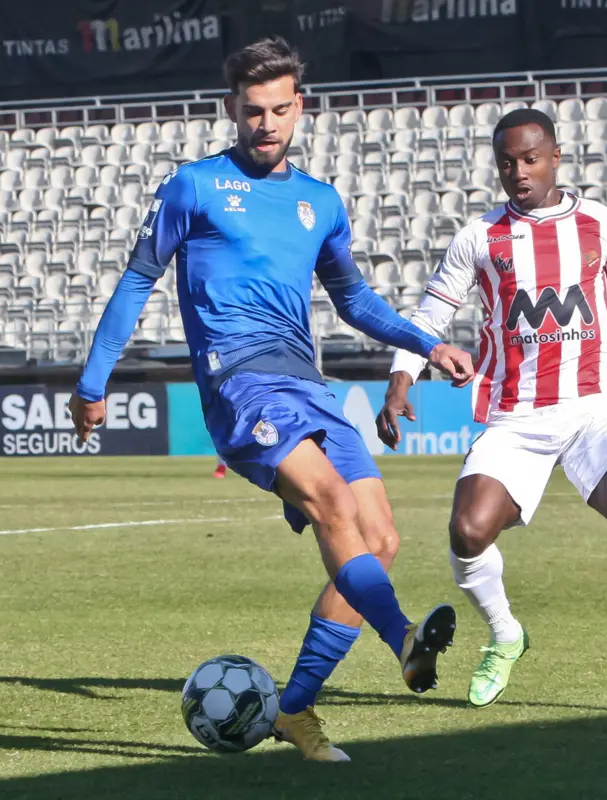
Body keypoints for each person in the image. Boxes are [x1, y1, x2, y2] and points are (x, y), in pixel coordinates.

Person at [69, 37, 476, 761]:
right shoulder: (193, 187)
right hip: (240, 382)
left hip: (308, 386)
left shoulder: (319, 202)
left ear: (300, 107)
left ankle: (293, 710)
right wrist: (94, 380)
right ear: (232, 109)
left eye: (279, 109)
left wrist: (424, 342)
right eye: (253, 111)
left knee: (378, 541)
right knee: (334, 506)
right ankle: (403, 637)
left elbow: (353, 298)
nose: (266, 123)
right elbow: (138, 280)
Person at [377, 109, 607, 717]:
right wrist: (400, 380)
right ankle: (507, 634)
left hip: (593, 408)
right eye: (507, 162)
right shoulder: (478, 237)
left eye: (530, 159)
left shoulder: (603, 226)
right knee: (466, 532)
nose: (519, 172)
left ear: (556, 157)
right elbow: (428, 319)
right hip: (515, 416)